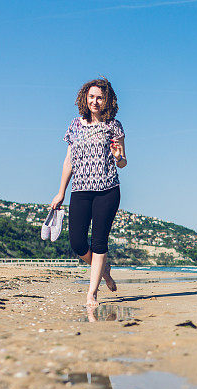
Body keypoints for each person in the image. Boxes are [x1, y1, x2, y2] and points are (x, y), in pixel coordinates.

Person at [50, 77, 127, 307]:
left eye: (100, 97)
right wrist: (60, 192)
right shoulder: (74, 125)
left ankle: (91, 293)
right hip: (81, 190)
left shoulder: (114, 125)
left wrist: (118, 157)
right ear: (85, 97)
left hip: (107, 190)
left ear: (107, 100)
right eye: (91, 96)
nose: (95, 101)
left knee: (99, 242)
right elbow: (68, 162)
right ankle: (104, 270)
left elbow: (123, 162)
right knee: (77, 243)